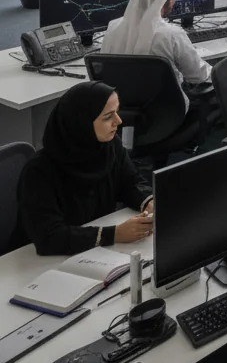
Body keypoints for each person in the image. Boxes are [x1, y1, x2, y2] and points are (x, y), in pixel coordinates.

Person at [17, 82, 155, 255]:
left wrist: (148, 202)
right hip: (35, 264)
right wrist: (114, 234)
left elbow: (129, 182)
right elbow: (49, 238)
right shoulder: (39, 171)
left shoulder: (110, 146)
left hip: (91, 253)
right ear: (81, 123)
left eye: (117, 112)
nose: (118, 121)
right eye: (108, 117)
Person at [101, 0, 212, 112]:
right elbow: (198, 76)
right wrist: (217, 70)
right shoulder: (172, 34)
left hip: (121, 110)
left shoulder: (113, 27)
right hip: (168, 111)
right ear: (165, 0)